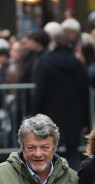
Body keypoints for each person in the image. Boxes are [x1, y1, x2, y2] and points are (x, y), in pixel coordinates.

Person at [33, 32, 89, 171]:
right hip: (74, 114)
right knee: (73, 152)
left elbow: (40, 92)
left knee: (49, 151)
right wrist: (85, 121)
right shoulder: (79, 64)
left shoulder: (46, 63)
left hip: (50, 113)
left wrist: (35, 115)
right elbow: (85, 94)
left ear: (54, 43)